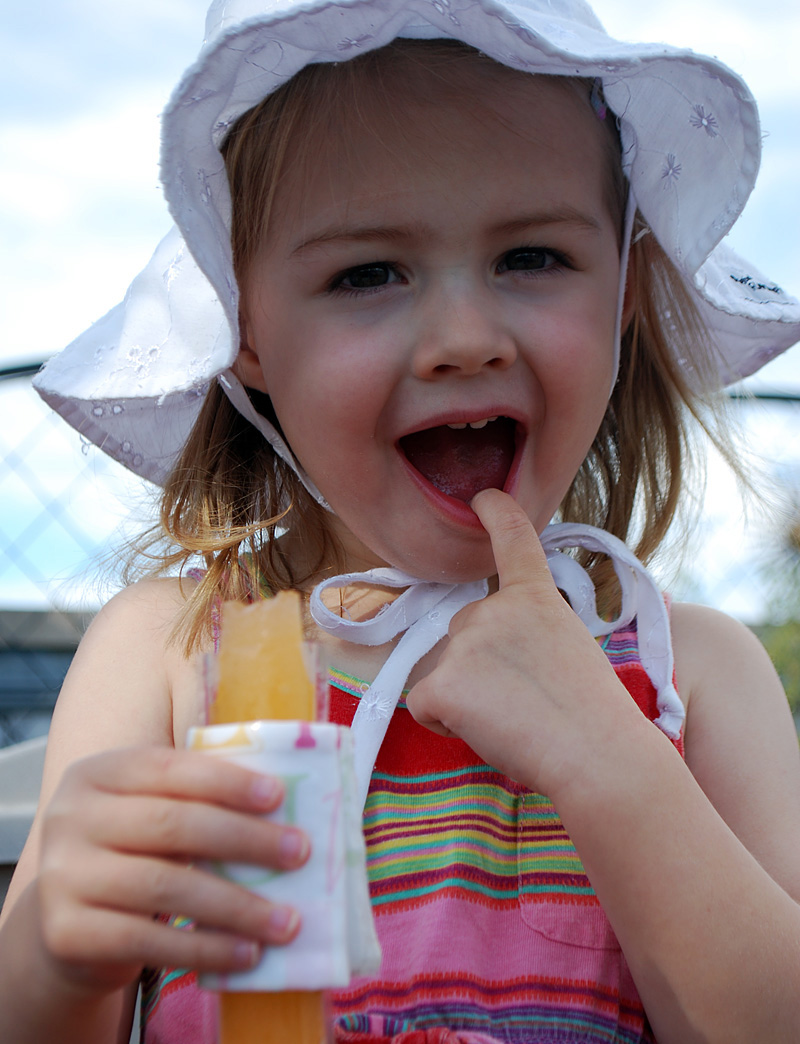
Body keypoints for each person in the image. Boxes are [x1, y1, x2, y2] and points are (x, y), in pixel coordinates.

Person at [3, 0, 800, 1041]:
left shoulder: (691, 672)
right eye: (365, 274)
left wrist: (611, 761)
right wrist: (55, 954)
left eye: (532, 257)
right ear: (243, 334)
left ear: (625, 296)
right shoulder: (168, 656)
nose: (462, 339)